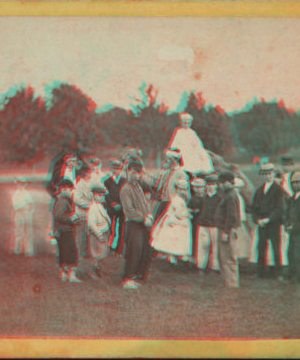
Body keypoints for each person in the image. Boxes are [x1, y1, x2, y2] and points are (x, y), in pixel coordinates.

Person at [120, 159, 153, 289]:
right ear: (127, 171)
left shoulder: (138, 186)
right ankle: (126, 278)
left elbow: (144, 204)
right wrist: (143, 218)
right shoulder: (125, 188)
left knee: (142, 250)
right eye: (133, 172)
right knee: (133, 250)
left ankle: (133, 275)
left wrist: (148, 214)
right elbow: (128, 210)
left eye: (138, 172)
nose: (135, 175)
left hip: (142, 224)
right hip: (133, 224)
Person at [251, 163, 285, 281]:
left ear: (273, 173)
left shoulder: (278, 190)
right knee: (261, 247)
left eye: (269, 173)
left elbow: (279, 208)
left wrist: (269, 219)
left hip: (273, 223)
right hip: (261, 223)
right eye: (264, 174)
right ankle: (260, 272)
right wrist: (257, 220)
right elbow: (254, 208)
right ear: (262, 175)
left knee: (276, 247)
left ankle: (277, 273)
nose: (267, 176)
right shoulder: (259, 190)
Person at [151, 179, 192, 266]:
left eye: (184, 189)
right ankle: (172, 259)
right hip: (174, 220)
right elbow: (179, 213)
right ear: (176, 189)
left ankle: (174, 259)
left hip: (176, 220)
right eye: (180, 189)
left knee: (176, 240)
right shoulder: (176, 199)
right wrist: (187, 213)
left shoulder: (180, 198)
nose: (182, 191)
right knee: (173, 239)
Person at [214, 171, 241, 288]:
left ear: (226, 182)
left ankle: (232, 283)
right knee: (224, 256)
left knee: (228, 256)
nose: (219, 185)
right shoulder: (229, 194)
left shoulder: (230, 196)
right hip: (226, 228)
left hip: (226, 230)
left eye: (220, 182)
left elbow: (232, 216)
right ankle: (228, 281)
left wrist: (226, 231)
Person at [52, 178, 81, 282]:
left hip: (61, 230)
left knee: (63, 252)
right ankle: (71, 274)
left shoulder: (60, 199)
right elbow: (59, 215)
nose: (71, 191)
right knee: (71, 251)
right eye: (70, 189)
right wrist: (71, 218)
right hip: (65, 231)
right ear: (64, 188)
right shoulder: (63, 201)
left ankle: (63, 273)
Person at [168, 112, 214, 178]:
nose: (186, 124)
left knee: (202, 154)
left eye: (187, 123)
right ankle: (188, 171)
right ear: (181, 123)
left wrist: (199, 150)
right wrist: (176, 149)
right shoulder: (179, 131)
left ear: (190, 123)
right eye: (184, 123)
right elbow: (175, 143)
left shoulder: (192, 132)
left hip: (191, 149)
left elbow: (197, 143)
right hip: (181, 149)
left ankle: (198, 172)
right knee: (184, 154)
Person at [196, 174, 222, 274]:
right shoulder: (203, 198)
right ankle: (200, 266)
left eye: (213, 184)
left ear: (216, 185)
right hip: (203, 224)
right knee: (202, 245)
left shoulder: (219, 198)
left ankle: (214, 267)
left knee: (215, 246)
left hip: (214, 225)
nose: (210, 186)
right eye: (208, 184)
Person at [87, 184, 111, 280]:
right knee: (96, 253)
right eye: (98, 194)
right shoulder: (93, 207)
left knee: (102, 252)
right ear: (93, 195)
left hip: (103, 232)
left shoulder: (99, 205)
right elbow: (91, 223)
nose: (101, 197)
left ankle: (98, 271)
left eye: (102, 195)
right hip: (97, 234)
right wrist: (99, 234)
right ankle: (93, 272)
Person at [103, 159, 126, 255]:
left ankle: (117, 248)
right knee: (110, 227)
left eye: (118, 168)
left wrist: (120, 204)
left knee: (120, 228)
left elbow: (125, 193)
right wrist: (112, 203)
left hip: (121, 209)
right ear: (110, 168)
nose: (116, 170)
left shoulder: (124, 180)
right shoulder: (106, 181)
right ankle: (108, 246)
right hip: (110, 208)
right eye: (114, 168)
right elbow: (105, 194)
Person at [10, 177, 34, 256]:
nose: (21, 185)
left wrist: (29, 209)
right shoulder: (15, 194)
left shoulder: (27, 193)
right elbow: (15, 206)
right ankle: (18, 248)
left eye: (22, 184)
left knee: (27, 231)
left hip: (26, 214)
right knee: (18, 231)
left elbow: (31, 203)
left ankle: (28, 250)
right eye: (19, 184)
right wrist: (24, 205)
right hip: (18, 213)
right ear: (17, 184)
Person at [284, 171, 300, 283]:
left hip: (297, 231)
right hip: (292, 232)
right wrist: (287, 225)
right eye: (293, 182)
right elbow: (286, 214)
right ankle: (292, 274)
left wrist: (294, 227)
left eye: (298, 182)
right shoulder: (291, 199)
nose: (295, 185)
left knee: (297, 254)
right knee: (291, 253)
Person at [188, 178, 206, 272]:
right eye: (196, 187)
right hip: (195, 222)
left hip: (204, 223)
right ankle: (193, 261)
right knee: (194, 241)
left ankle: (203, 262)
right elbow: (189, 210)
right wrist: (192, 211)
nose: (198, 189)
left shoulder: (206, 198)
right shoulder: (192, 199)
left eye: (200, 187)